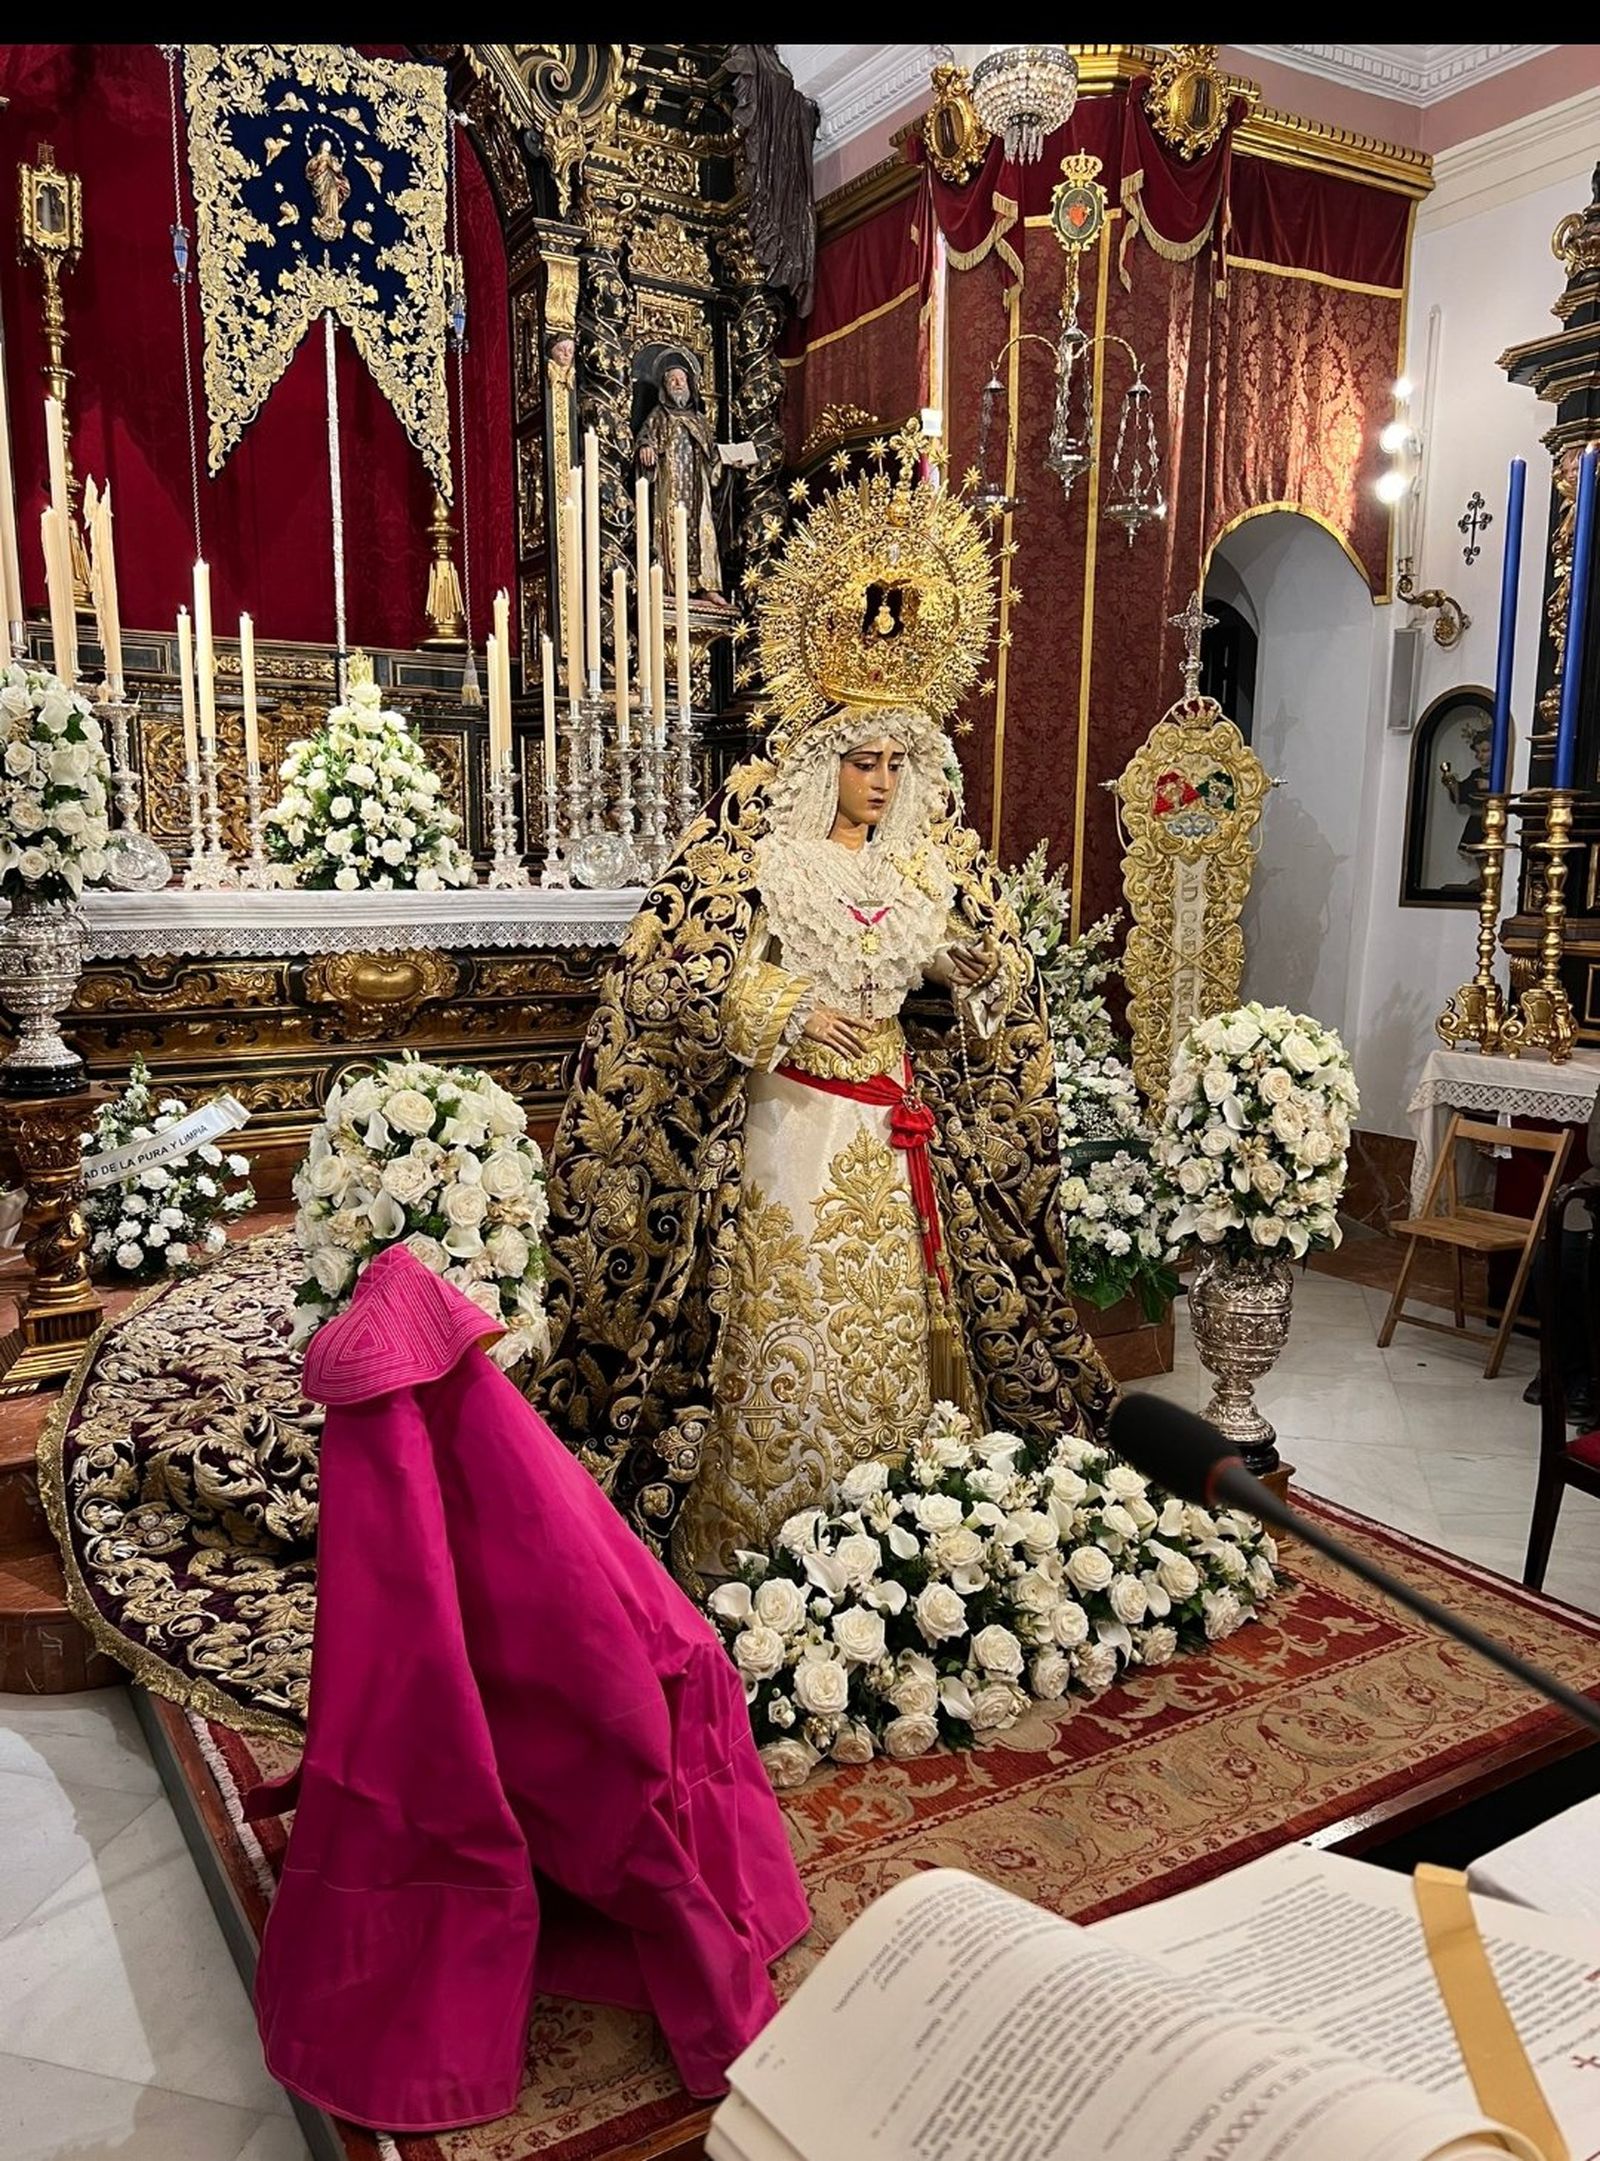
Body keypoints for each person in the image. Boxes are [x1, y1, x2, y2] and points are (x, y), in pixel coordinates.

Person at [539, 425, 1115, 1578]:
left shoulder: (925, 861)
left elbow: (995, 979)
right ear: (823, 760)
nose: (885, 780)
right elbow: (675, 977)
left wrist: (960, 977)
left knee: (900, 1327)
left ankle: (892, 1524)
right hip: (789, 1126)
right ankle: (756, 1534)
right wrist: (786, 1011)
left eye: (900, 761)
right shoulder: (754, 851)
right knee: (784, 1324)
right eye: (865, 760)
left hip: (895, 1127)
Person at [634, 353, 725, 596]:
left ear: (689, 383)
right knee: (670, 530)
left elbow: (713, 456)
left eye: (681, 379)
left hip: (697, 487)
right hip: (671, 485)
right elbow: (644, 437)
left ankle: (707, 586)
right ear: (665, 387)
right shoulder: (659, 416)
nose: (677, 383)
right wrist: (645, 447)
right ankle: (670, 585)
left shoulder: (700, 421)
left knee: (703, 529)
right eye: (672, 380)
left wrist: (729, 462)